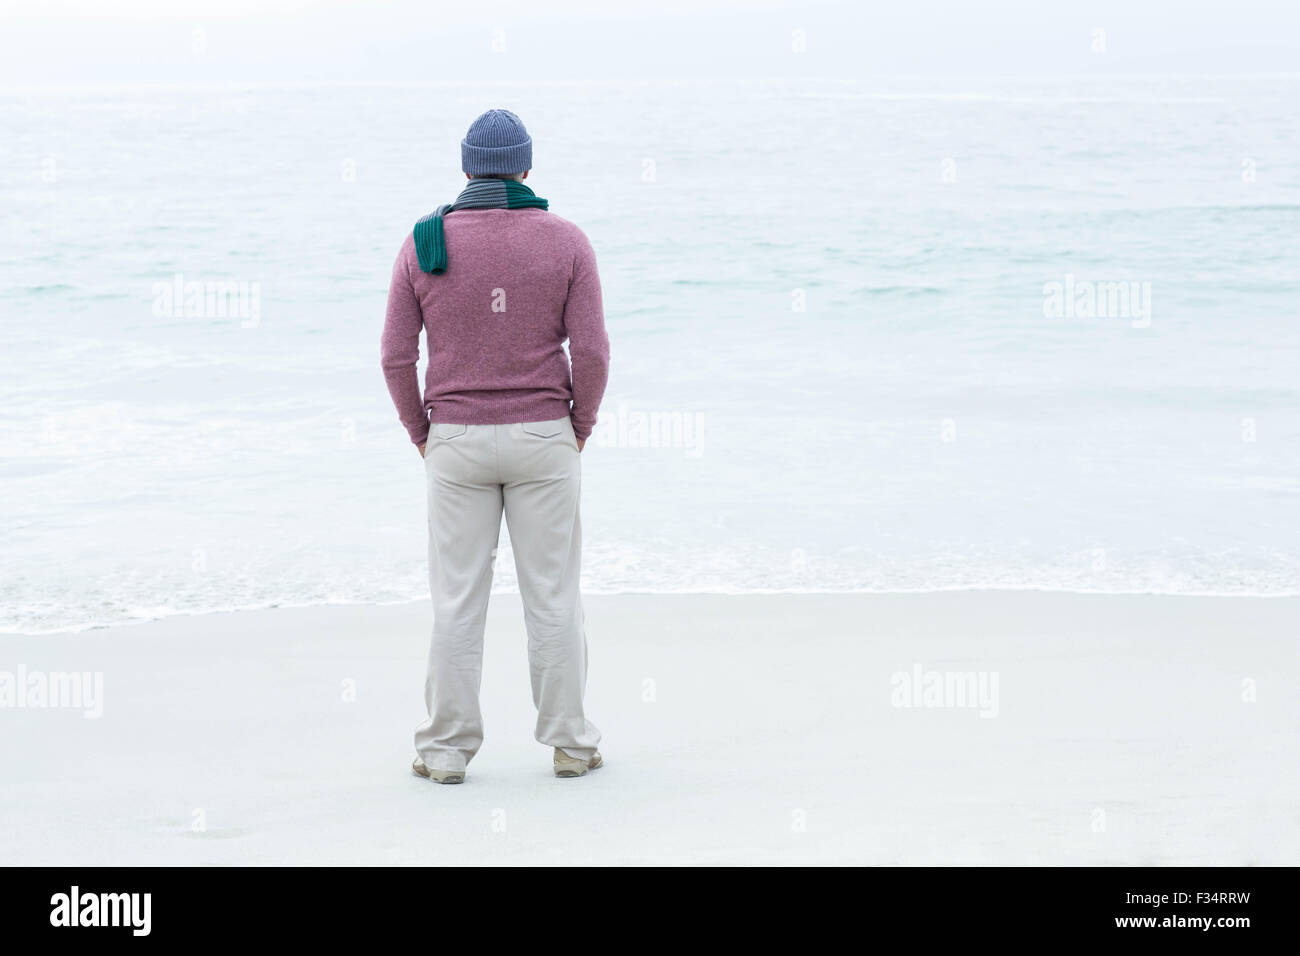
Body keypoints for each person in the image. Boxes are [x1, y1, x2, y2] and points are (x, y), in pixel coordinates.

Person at [380, 109, 609, 784]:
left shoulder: (425, 241)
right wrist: (580, 427)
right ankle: (570, 742)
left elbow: (396, 357)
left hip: (455, 442)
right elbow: (592, 351)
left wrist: (421, 433)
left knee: (456, 602)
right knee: (554, 598)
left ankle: (446, 751)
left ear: (467, 167)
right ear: (526, 166)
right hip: (544, 436)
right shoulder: (566, 241)